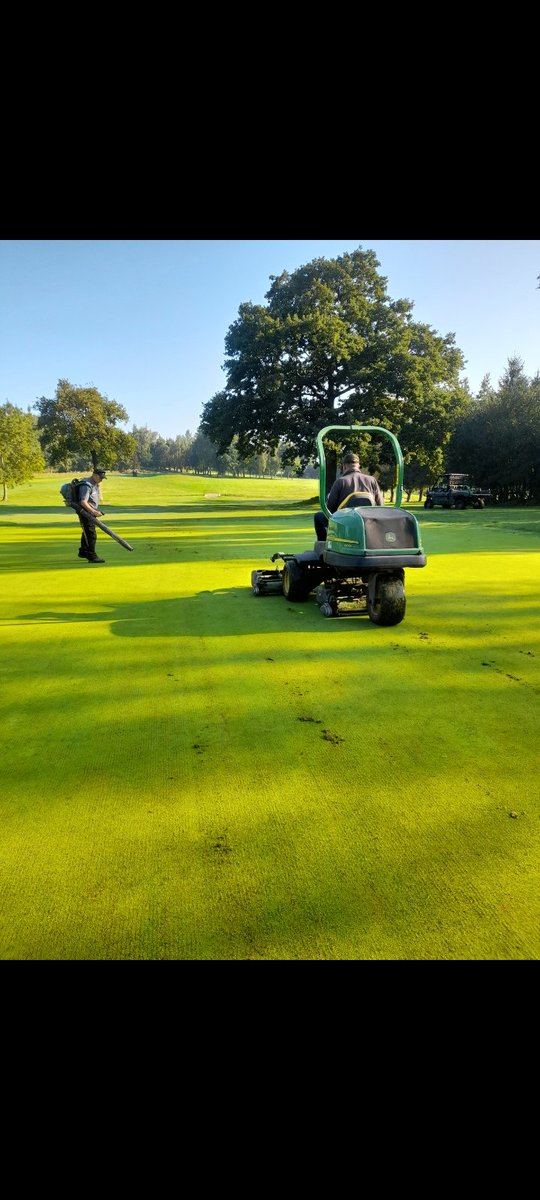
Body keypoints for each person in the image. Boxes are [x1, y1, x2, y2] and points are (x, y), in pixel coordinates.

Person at [314, 452, 384, 541]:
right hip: (368, 521)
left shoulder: (340, 482)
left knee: (318, 516)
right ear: (358, 465)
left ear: (344, 466)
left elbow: (330, 509)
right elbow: (381, 505)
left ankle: (323, 545)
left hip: (345, 522)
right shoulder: (372, 480)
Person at [77, 467, 107, 563]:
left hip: (90, 512)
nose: (101, 480)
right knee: (91, 534)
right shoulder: (87, 485)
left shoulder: (95, 484)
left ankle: (83, 551)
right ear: (94, 475)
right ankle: (92, 556)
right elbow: (83, 502)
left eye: (102, 478)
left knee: (86, 531)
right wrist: (93, 512)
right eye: (100, 477)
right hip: (85, 512)